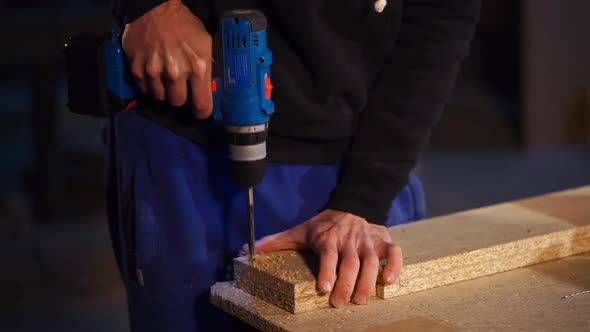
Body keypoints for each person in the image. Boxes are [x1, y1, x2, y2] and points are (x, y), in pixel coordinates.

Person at [105, 0, 481, 330]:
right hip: (178, 143)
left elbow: (441, 17)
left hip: (348, 159)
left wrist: (363, 200)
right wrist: (151, 6)